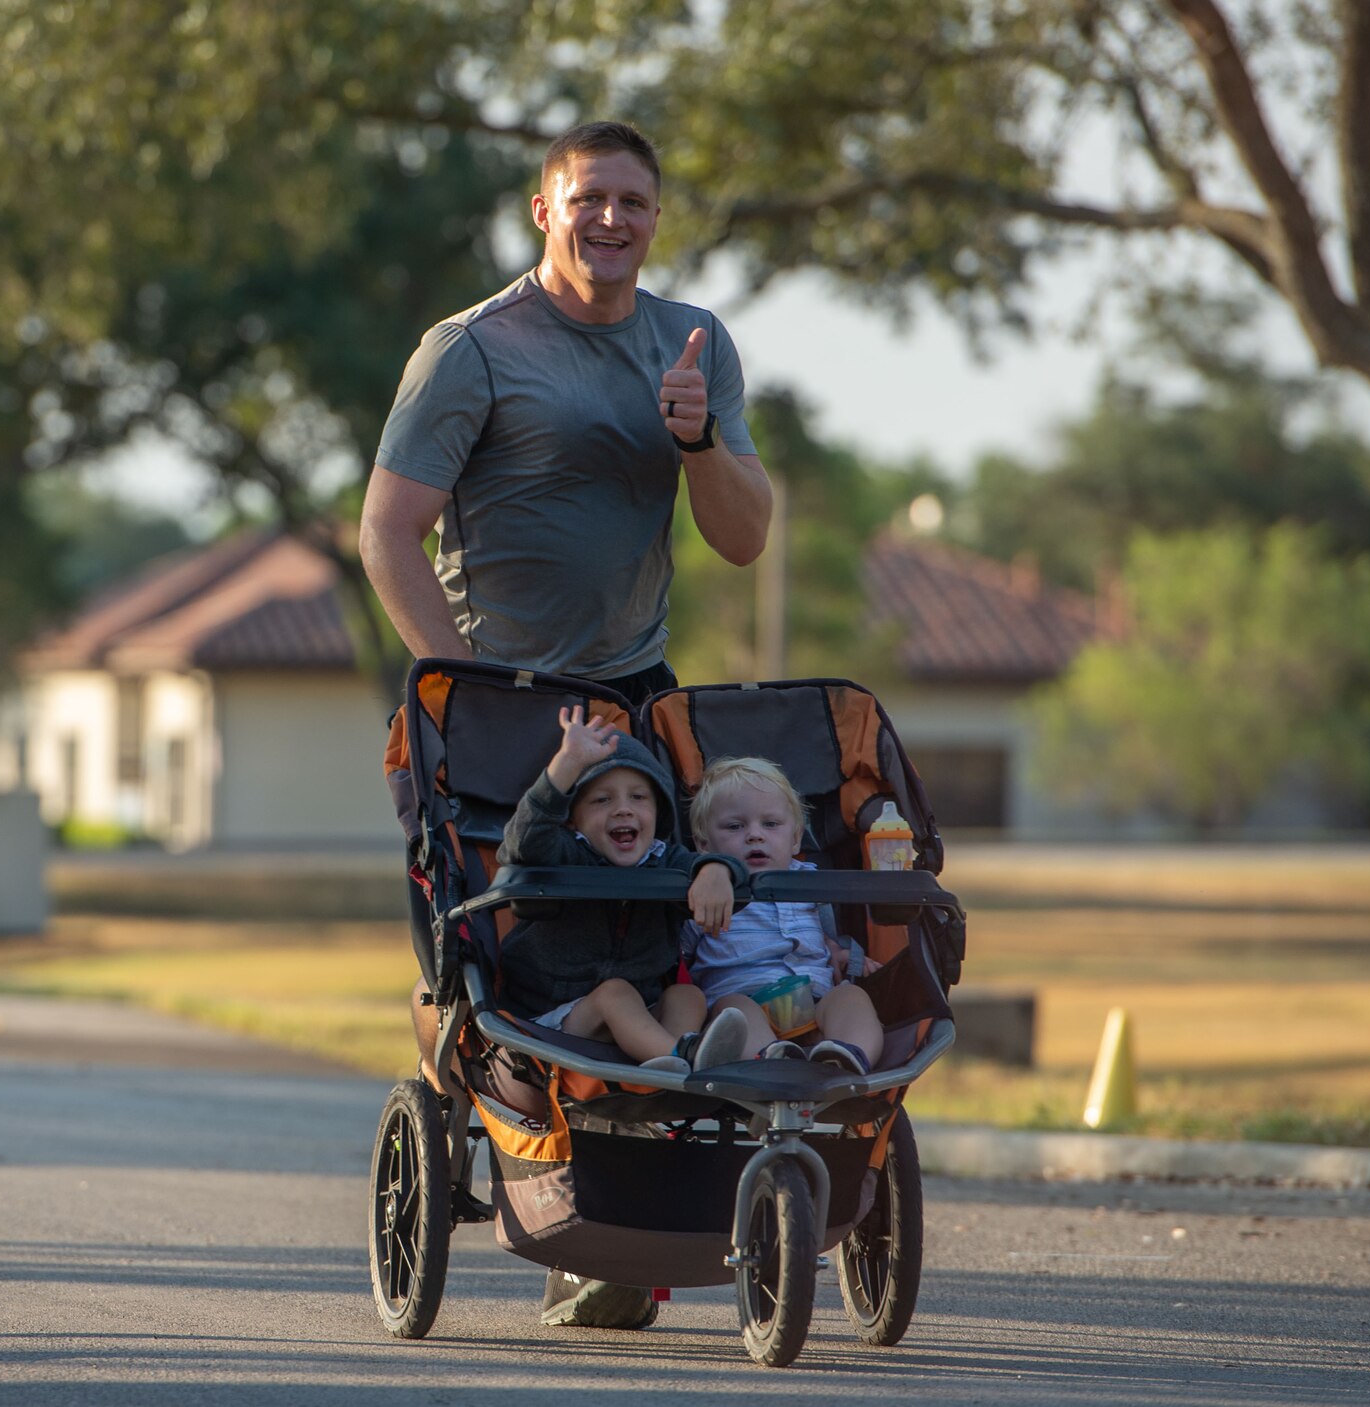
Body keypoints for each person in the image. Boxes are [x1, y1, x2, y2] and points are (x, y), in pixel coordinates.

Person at [359, 118, 773, 1330]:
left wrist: (695, 437)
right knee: (490, 940)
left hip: (632, 691)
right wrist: (460, 695)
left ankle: (623, 1221)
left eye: (632, 201)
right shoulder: (474, 349)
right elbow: (385, 533)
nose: (610, 219)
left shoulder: (691, 345)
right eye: (587, 197)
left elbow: (743, 535)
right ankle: (513, 1152)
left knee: (664, 939)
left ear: (655, 216)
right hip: (489, 693)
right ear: (543, 210)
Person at [497, 707, 751, 1072]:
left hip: (638, 1014)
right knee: (616, 992)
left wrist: (715, 868)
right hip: (553, 1020)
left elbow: (725, 869)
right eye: (602, 800)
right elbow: (524, 840)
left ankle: (675, 1058)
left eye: (638, 798)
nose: (623, 810)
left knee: (687, 995)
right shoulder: (564, 854)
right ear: (573, 818)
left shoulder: (666, 859)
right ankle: (686, 1062)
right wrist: (566, 765)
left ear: (658, 812)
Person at [683, 758, 885, 1072]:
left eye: (771, 824)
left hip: (814, 1002)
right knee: (732, 1009)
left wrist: (838, 951)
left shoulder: (811, 883)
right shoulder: (708, 892)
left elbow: (818, 932)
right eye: (735, 826)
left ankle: (848, 1055)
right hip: (743, 1000)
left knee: (851, 996)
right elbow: (677, 948)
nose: (754, 835)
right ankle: (771, 1061)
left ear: (795, 839)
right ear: (704, 844)